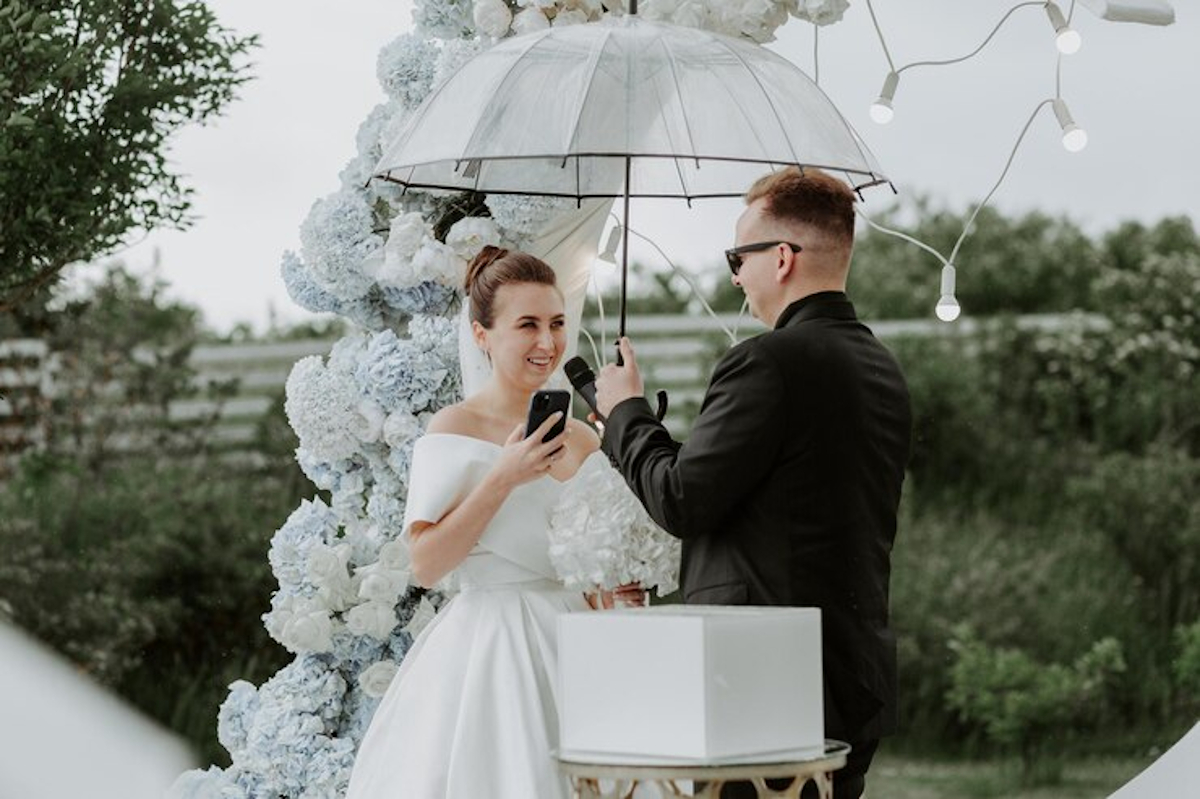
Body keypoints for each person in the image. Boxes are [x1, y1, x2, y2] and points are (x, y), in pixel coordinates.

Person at [594, 168, 913, 799]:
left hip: (761, 676)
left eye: (738, 257)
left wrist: (624, 414)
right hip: (850, 672)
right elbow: (763, 491)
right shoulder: (880, 366)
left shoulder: (766, 361)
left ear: (783, 258)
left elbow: (681, 499)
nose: (735, 276)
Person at [345, 245, 605, 799]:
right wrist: (503, 475)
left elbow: (608, 546)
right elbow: (425, 564)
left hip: (587, 642)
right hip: (494, 645)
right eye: (528, 325)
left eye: (557, 323)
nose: (547, 342)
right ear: (483, 334)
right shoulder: (453, 428)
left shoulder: (584, 436)